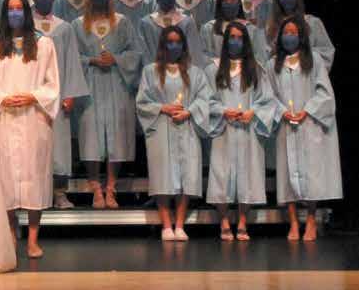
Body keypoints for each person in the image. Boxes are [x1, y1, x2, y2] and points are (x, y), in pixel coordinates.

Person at [0, 0, 60, 258]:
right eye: (10, 9)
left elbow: (53, 84)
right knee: (5, 179)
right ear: (4, 14)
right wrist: (2, 98)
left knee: (34, 177)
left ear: (27, 12)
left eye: (19, 8)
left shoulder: (44, 44)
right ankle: (11, 236)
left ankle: (33, 239)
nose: (15, 13)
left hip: (33, 118)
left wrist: (33, 96)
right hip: (2, 118)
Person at [268, 17, 342, 242]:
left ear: (301, 37)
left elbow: (325, 92)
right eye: (285, 33)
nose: (289, 37)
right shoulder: (273, 64)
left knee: (311, 173)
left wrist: (307, 111)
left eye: (293, 33)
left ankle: (310, 219)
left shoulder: (314, 60)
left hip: (308, 124)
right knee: (287, 173)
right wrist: (282, 111)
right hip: (285, 123)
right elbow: (267, 96)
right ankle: (293, 222)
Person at [136, 25, 214, 241]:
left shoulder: (195, 73)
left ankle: (179, 225)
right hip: (161, 128)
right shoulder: (150, 71)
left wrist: (189, 111)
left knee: (186, 176)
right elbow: (142, 102)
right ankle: (166, 226)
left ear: (184, 46)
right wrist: (163, 108)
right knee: (162, 177)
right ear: (163, 45)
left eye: (178, 42)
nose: (174, 46)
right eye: (170, 42)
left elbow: (205, 99)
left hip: (187, 128)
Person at [72, 0, 141, 208]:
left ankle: (110, 188)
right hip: (89, 85)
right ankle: (95, 188)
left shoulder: (122, 22)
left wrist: (116, 59)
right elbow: (71, 57)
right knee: (91, 134)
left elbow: (135, 53)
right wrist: (91, 60)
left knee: (116, 135)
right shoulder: (78, 25)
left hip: (116, 84)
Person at [205, 21, 277, 241]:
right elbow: (205, 100)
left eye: (239, 38)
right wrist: (222, 111)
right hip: (224, 130)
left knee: (248, 174)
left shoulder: (255, 69)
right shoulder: (214, 69)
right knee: (221, 175)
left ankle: (243, 221)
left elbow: (268, 100)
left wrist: (253, 112)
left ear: (245, 41)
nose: (235, 41)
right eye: (232, 37)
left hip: (248, 130)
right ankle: (224, 221)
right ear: (226, 41)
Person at [31, 0, 90, 209]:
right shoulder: (27, 27)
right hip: (34, 94)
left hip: (59, 94)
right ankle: (37, 194)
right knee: (36, 144)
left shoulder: (64, 28)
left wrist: (70, 94)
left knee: (59, 147)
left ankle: (59, 194)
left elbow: (72, 61)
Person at [264, 0, 334, 70]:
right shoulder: (271, 27)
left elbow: (326, 52)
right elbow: (265, 56)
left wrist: (301, 53)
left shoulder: (312, 22)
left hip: (306, 74)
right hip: (281, 75)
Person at [138, 0, 207, 68]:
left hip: (183, 72)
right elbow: (144, 55)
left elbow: (194, 54)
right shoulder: (146, 23)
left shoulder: (187, 22)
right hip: (155, 73)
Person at [201, 0, 267, 62]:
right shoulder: (208, 28)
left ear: (239, 3)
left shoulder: (251, 28)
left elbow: (260, 57)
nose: (229, 3)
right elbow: (204, 56)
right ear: (220, 4)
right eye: (225, 0)